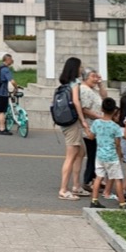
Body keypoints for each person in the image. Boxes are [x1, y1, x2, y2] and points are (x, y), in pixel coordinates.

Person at [57, 57, 90, 200]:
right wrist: (83, 120)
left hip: (66, 123)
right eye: (80, 67)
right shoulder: (75, 83)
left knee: (81, 152)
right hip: (72, 124)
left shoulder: (64, 84)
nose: (82, 69)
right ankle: (64, 190)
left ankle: (76, 186)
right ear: (75, 68)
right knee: (70, 157)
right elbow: (76, 102)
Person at [88, 97, 126, 210]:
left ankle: (94, 200)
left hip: (100, 155)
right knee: (118, 179)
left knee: (98, 177)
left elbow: (91, 137)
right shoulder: (115, 127)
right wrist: (120, 155)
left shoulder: (96, 123)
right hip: (112, 157)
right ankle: (122, 203)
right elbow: (117, 144)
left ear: (101, 108)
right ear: (114, 111)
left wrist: (86, 128)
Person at [79, 67, 108, 192]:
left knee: (97, 154)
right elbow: (84, 109)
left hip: (97, 127)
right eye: (93, 76)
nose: (96, 79)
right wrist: (99, 116)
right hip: (90, 127)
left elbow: (105, 98)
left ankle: (96, 179)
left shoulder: (93, 90)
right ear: (86, 77)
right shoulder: (84, 90)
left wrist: (100, 84)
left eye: (97, 76)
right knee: (93, 155)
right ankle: (88, 180)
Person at [0, 53, 18, 135]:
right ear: (7, 60)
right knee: (2, 111)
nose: (12, 61)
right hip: (2, 93)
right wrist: (16, 88)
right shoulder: (6, 70)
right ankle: (2, 129)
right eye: (11, 59)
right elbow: (12, 81)